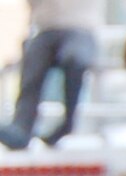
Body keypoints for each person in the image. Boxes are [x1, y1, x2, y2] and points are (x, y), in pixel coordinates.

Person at [0, 0, 106, 149]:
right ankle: (22, 126)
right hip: (46, 30)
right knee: (33, 64)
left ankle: (68, 122)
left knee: (75, 59)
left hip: (81, 27)